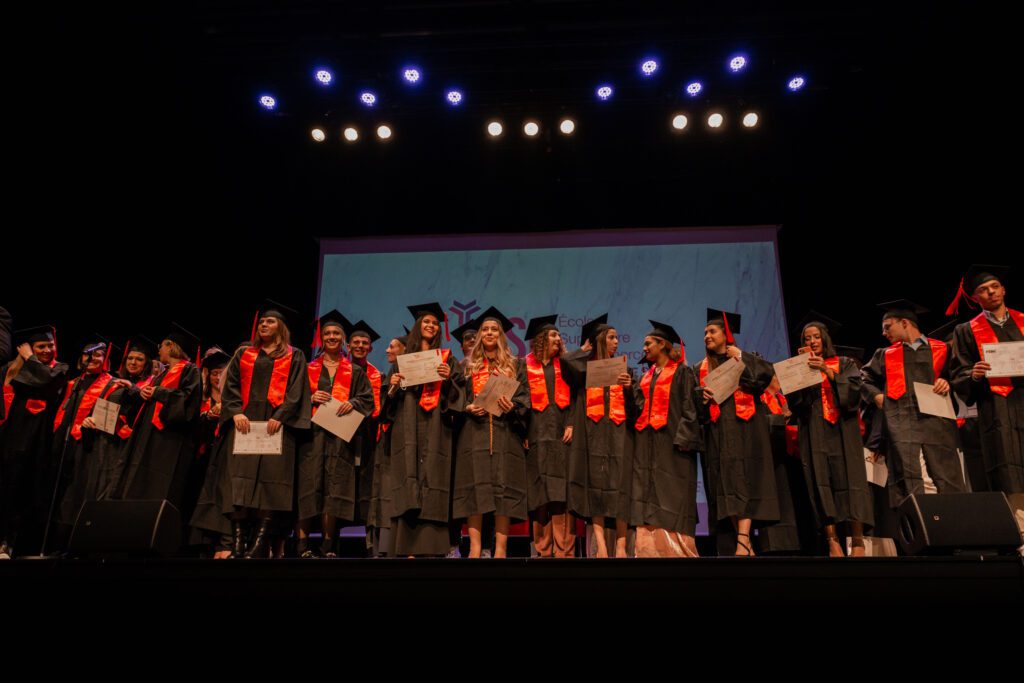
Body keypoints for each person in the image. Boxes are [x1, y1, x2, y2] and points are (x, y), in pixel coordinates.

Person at [191, 300, 311, 559]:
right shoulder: (244, 354)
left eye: (270, 321)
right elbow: (230, 385)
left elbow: (297, 389)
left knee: (271, 483)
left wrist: (282, 415)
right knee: (239, 482)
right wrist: (234, 412)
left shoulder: (295, 355)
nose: (264, 325)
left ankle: (259, 543)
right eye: (262, 322)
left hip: (276, 426)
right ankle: (237, 543)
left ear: (281, 326)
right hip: (244, 423)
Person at [861, 300, 967, 507]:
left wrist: (948, 382)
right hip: (902, 422)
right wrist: (876, 396)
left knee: (945, 472)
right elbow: (864, 379)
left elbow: (959, 375)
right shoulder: (884, 354)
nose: (884, 333)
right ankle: (923, 526)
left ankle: (952, 526)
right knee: (910, 475)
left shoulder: (942, 349)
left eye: (887, 327)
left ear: (904, 323)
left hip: (937, 421)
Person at [786, 313, 873, 556]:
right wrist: (800, 373)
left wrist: (825, 369)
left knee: (852, 481)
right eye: (807, 337)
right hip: (814, 430)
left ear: (825, 339)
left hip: (843, 430)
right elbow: (796, 404)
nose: (812, 341)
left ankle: (857, 540)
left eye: (816, 336)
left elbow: (854, 394)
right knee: (820, 480)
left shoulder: (844, 363)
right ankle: (832, 539)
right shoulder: (798, 366)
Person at [696, 308, 779, 556]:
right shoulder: (700, 368)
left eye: (711, 331)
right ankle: (745, 543)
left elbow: (766, 376)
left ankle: (743, 540)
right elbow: (693, 401)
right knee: (725, 485)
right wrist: (701, 395)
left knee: (746, 480)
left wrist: (741, 355)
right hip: (719, 431)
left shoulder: (744, 358)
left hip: (746, 428)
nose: (706, 337)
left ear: (725, 334)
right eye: (705, 333)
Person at [451, 307, 530, 558]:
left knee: (504, 490)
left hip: (506, 433)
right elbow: (456, 399)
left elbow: (524, 399)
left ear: (501, 335)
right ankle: (474, 549)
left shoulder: (516, 366)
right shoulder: (466, 367)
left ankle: (501, 551)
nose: (489, 333)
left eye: (494, 329)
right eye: (485, 329)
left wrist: (513, 406)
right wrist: (468, 407)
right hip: (474, 434)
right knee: (474, 488)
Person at [948, 266, 1023, 525]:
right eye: (983, 290)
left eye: (994, 286)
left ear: (1003, 289)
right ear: (975, 298)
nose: (990, 292)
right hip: (996, 408)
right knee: (1007, 466)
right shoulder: (966, 331)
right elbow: (959, 372)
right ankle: (1020, 530)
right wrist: (975, 375)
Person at [381, 302, 457, 557]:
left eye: (435, 323)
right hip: (408, 425)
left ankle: (432, 549)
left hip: (436, 426)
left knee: (434, 476)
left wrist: (447, 381)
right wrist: (392, 384)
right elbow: (387, 405)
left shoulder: (448, 359)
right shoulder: (402, 362)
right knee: (409, 475)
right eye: (426, 322)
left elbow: (458, 397)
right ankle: (407, 548)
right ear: (418, 326)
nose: (431, 326)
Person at [296, 310, 373, 558]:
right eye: (327, 333)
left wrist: (354, 403)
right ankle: (302, 545)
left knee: (335, 488)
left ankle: (329, 545)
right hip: (312, 437)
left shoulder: (356, 371)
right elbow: (290, 400)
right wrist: (309, 398)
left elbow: (367, 399)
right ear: (322, 339)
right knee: (309, 487)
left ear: (343, 340)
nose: (331, 337)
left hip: (340, 438)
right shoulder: (307, 369)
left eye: (336, 334)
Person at [110, 323, 202, 518]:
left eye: (162, 345)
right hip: (147, 436)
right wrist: (141, 393)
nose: (159, 349)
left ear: (171, 346)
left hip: (169, 441)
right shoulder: (163, 373)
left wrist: (159, 392)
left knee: (158, 486)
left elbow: (188, 402)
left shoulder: (190, 371)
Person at [567, 314, 638, 558]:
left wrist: (629, 388)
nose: (616, 342)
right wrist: (583, 349)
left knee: (620, 489)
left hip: (619, 435)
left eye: (617, 337)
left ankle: (620, 545)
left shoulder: (625, 370)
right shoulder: (584, 371)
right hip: (593, 435)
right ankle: (602, 546)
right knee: (594, 489)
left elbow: (634, 408)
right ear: (599, 340)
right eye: (611, 337)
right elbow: (567, 361)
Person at [629, 320, 702, 557]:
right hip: (647, 445)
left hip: (673, 445)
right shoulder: (647, 376)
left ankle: (675, 552)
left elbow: (690, 409)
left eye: (648, 343)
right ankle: (649, 551)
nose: (644, 348)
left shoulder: (682, 372)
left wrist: (683, 439)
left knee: (672, 492)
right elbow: (640, 409)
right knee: (646, 490)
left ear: (662, 344)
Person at [0, 325, 68, 558]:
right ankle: (4, 541)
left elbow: (48, 381)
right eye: (41, 346)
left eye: (50, 345)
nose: (48, 349)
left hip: (42, 440)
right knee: (8, 487)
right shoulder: (11, 369)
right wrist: (26, 362)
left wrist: (30, 357)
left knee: (33, 491)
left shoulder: (59, 369)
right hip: (14, 435)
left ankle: (25, 544)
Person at [524, 314, 582, 558]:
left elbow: (577, 396)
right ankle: (542, 550)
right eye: (553, 335)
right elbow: (522, 402)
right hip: (535, 435)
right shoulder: (524, 366)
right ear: (540, 340)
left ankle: (564, 551)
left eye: (559, 334)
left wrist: (571, 424)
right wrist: (522, 432)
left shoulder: (566, 365)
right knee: (539, 495)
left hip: (561, 435)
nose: (558, 338)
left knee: (561, 494)